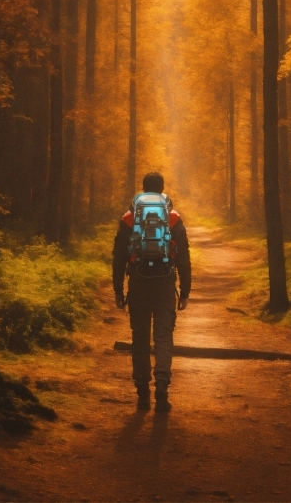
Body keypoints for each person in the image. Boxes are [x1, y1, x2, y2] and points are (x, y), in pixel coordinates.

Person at [113, 171, 191, 412]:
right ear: (162, 188)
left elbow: (118, 258)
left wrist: (118, 290)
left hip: (138, 282)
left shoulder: (129, 218)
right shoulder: (173, 218)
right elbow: (184, 258)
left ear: (143, 188)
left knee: (139, 337)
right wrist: (185, 290)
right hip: (165, 283)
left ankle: (142, 394)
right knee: (163, 337)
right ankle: (162, 388)